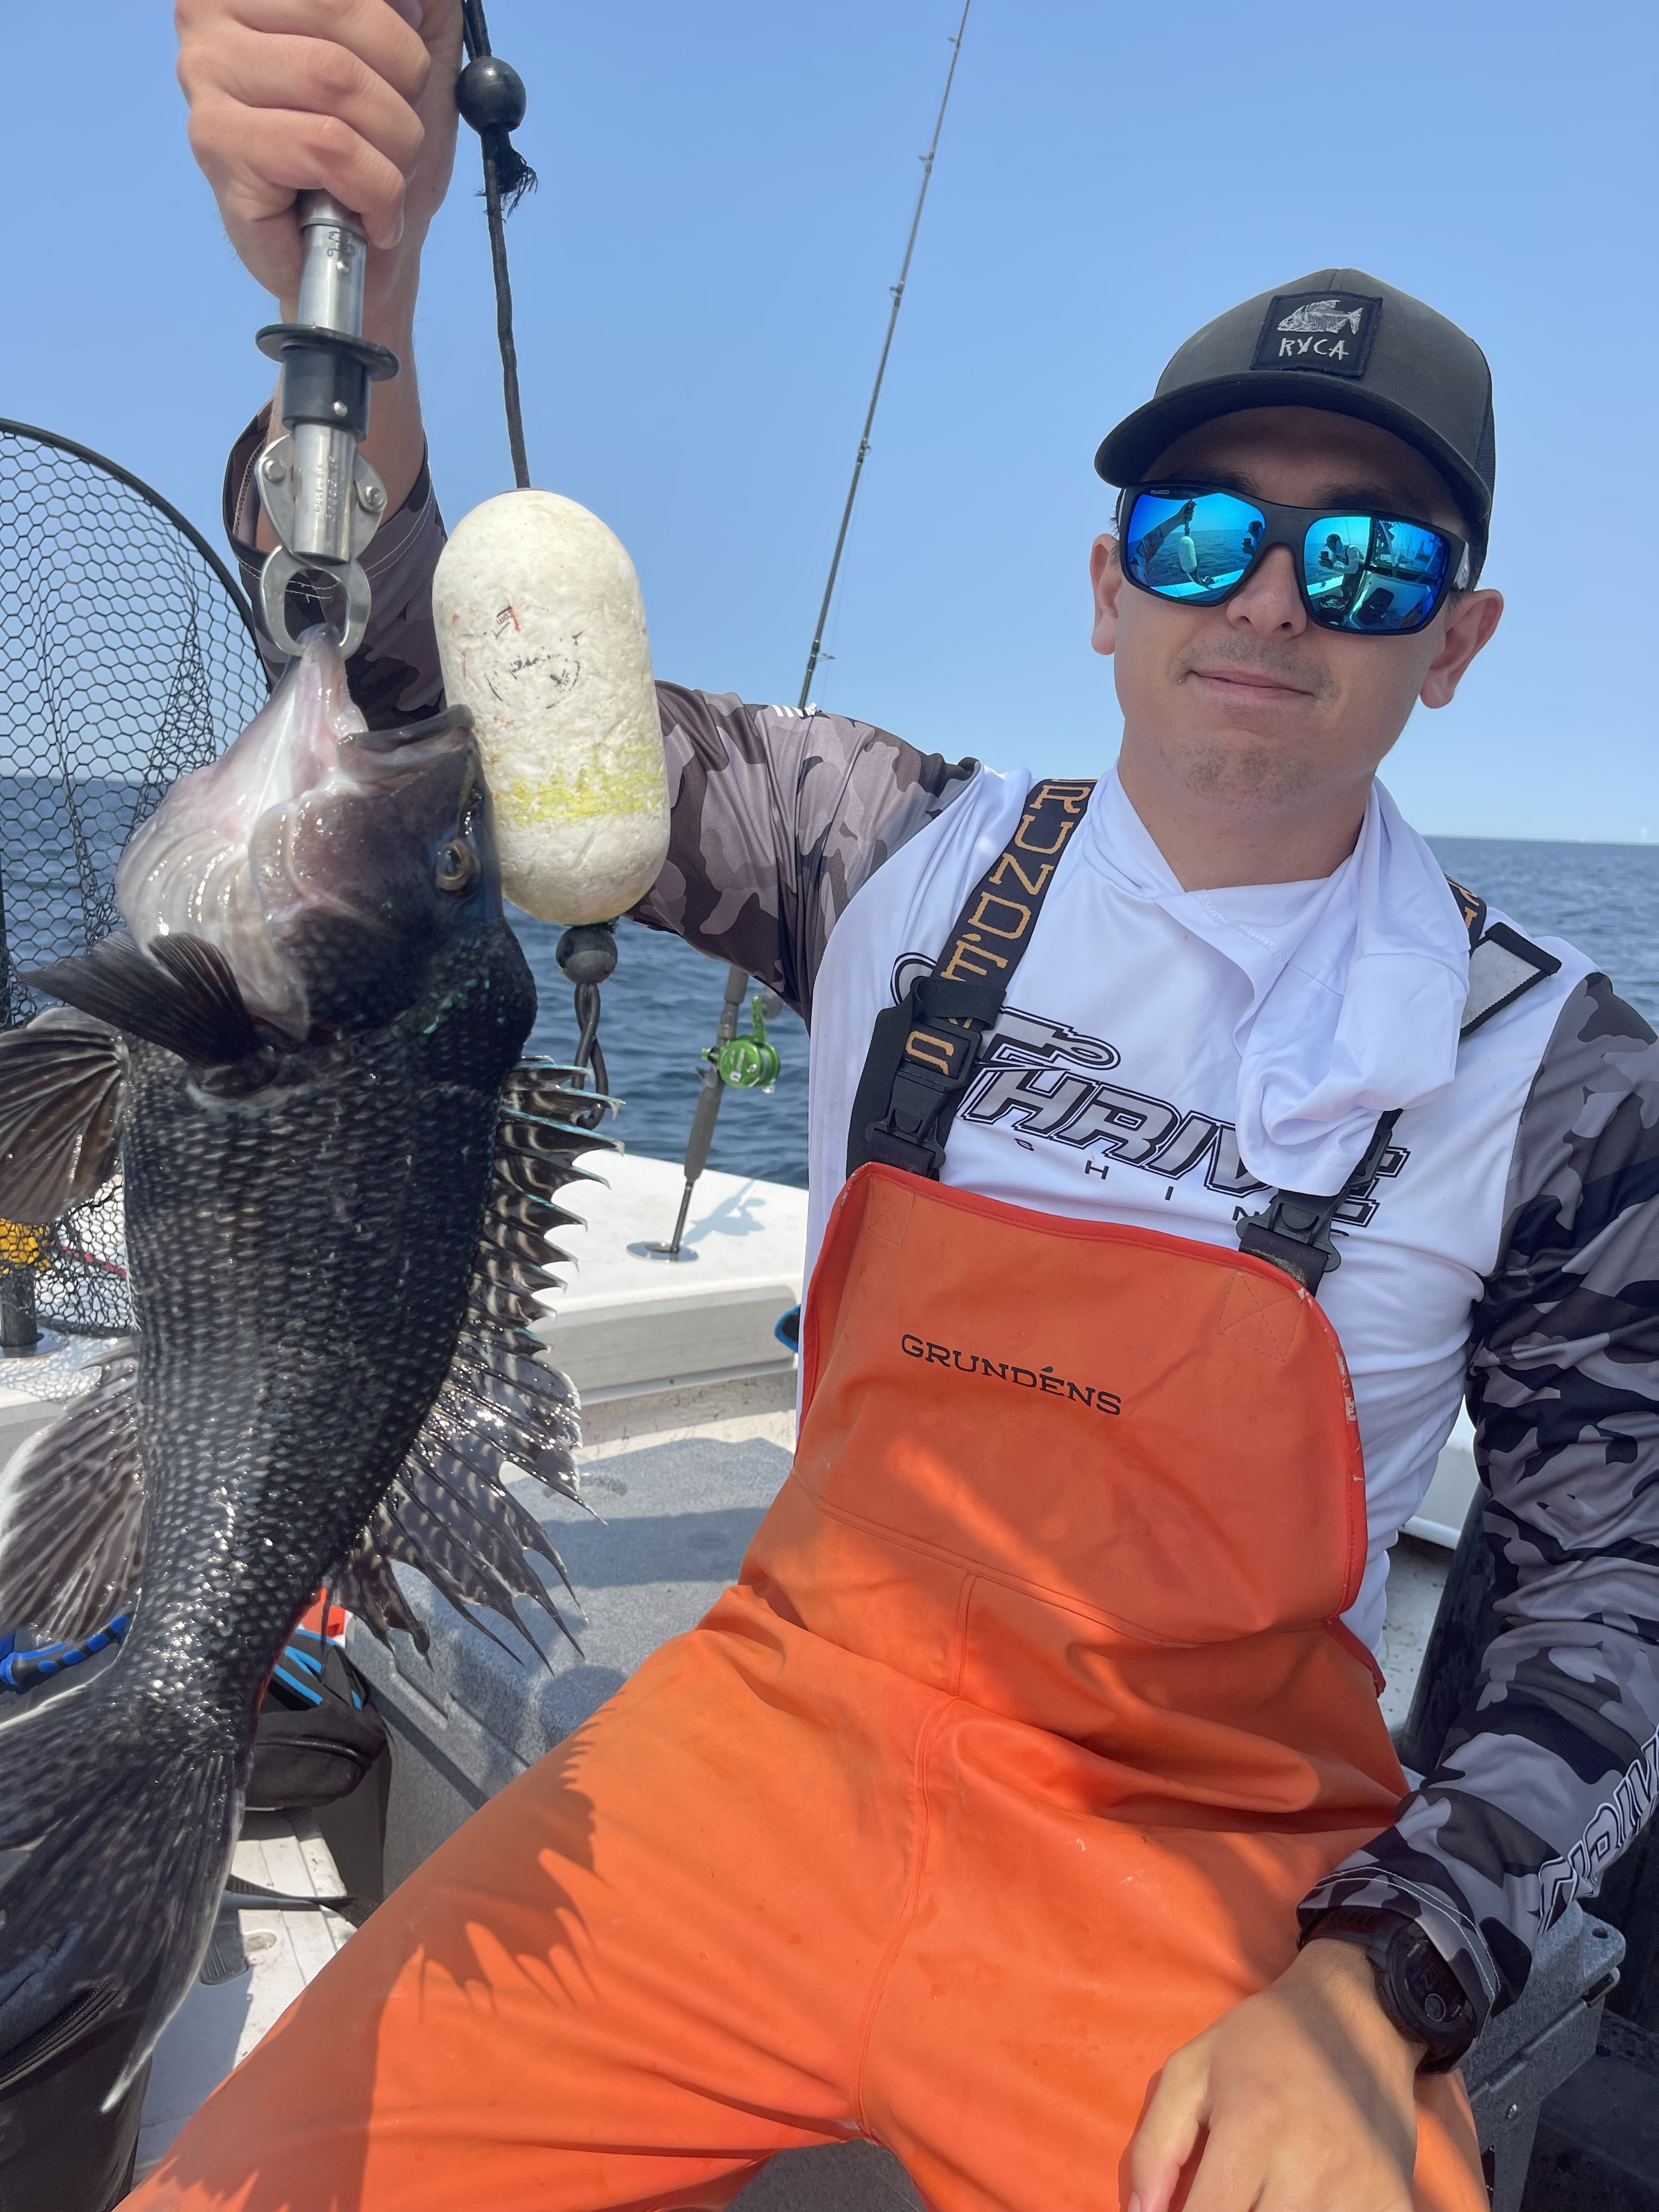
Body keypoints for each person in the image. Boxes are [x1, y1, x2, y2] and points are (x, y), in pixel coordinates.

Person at [137, 7, 1659, 2209]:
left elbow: (1606, 1611)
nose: (1264, 594)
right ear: (1107, 572)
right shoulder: (882, 851)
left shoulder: (1557, 1082)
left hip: (1193, 1881)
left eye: (1366, 562)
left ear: (1457, 643)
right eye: (1203, 523)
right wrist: (354, 276)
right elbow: (428, 704)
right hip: (754, 1757)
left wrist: (1375, 1990)